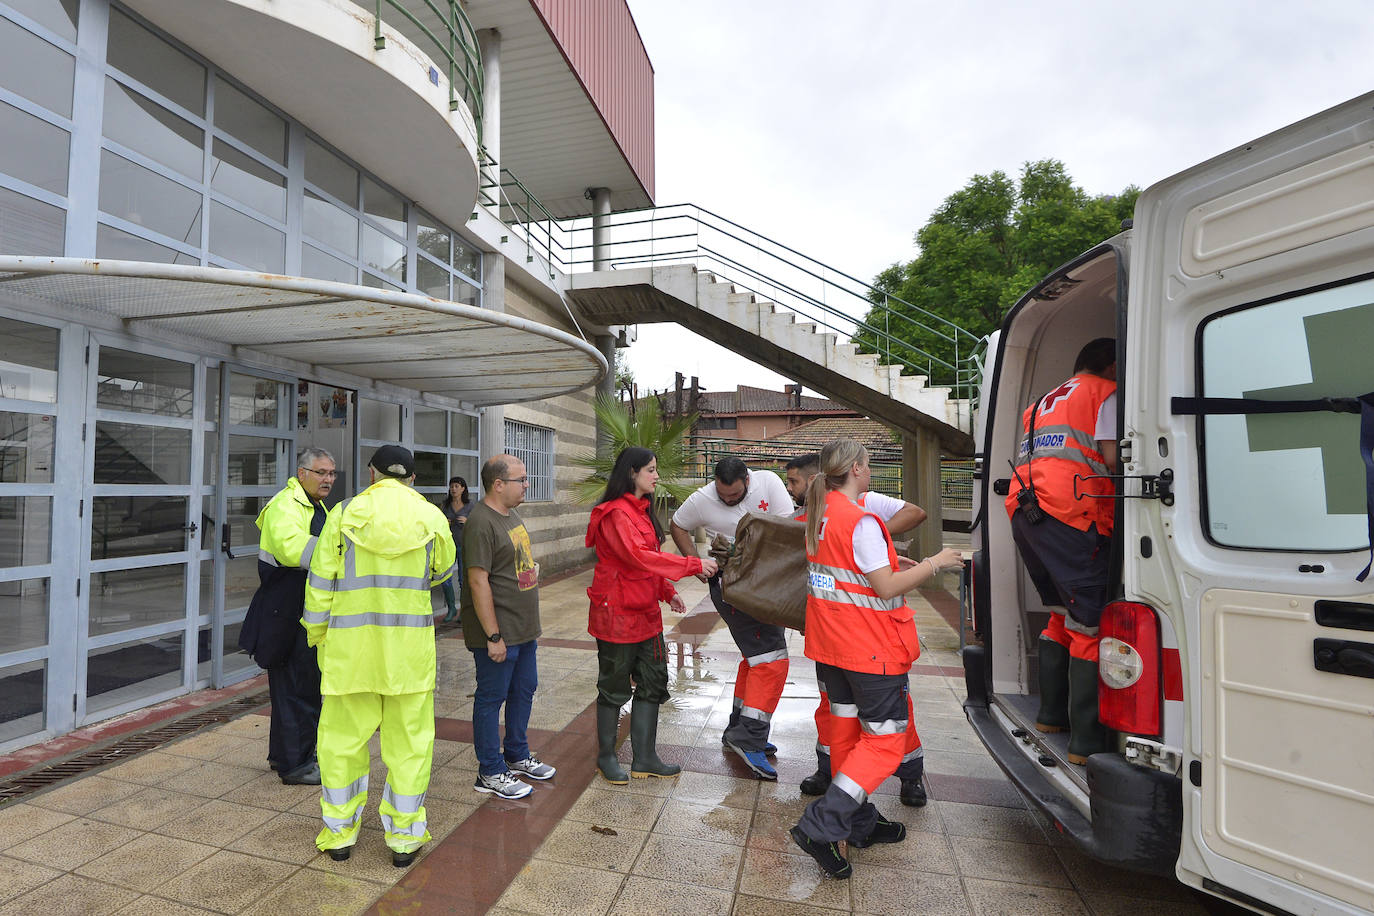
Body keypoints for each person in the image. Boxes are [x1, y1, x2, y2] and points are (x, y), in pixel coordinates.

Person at [789, 439, 964, 878]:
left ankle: (860, 824)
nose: (871, 472)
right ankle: (821, 826)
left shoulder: (822, 512)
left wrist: (888, 560)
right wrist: (934, 562)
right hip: (868, 651)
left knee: (847, 737)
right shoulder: (860, 519)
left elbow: (848, 573)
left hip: (832, 649)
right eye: (867, 465)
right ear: (854, 469)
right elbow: (886, 589)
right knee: (885, 742)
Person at [304, 445, 456, 868]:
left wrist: (318, 635)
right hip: (409, 657)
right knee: (409, 746)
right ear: (410, 477)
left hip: (351, 654)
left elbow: (319, 582)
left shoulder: (343, 514)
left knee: (340, 744)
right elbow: (442, 571)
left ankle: (339, 834)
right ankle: (403, 840)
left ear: (372, 474)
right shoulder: (431, 516)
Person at [784, 452, 933, 806]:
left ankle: (902, 778)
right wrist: (931, 563)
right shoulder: (831, 513)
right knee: (867, 726)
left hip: (842, 639)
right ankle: (836, 788)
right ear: (855, 469)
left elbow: (912, 514)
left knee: (857, 718)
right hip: (856, 641)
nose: (790, 488)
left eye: (792, 481)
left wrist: (877, 547)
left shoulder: (850, 510)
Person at [1005, 337, 1118, 764]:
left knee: (1058, 612)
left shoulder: (1043, 401)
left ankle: (1051, 715)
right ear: (1110, 366)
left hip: (1027, 508)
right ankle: (1086, 743)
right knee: (1089, 620)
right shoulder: (1104, 393)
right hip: (1073, 511)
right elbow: (1110, 457)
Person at [585, 447, 719, 784]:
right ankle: (606, 757)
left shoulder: (641, 511)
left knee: (652, 682)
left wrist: (667, 591)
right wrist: (693, 564)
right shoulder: (616, 514)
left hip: (644, 614)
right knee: (614, 688)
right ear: (632, 472)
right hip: (616, 616)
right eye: (651, 470)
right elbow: (637, 557)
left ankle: (645, 758)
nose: (656, 476)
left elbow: (650, 559)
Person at [669, 456, 793, 779]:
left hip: (767, 587)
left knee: (756, 657)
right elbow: (677, 524)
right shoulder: (702, 498)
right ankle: (748, 739)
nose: (727, 501)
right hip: (730, 588)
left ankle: (737, 728)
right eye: (722, 497)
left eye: (734, 496)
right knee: (771, 660)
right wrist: (695, 563)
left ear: (747, 482)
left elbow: (786, 532)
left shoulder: (769, 483)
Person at [461, 454, 555, 799]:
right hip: (499, 633)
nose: (527, 485)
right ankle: (489, 770)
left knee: (524, 690)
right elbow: (477, 581)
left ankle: (516, 754)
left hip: (524, 628)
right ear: (498, 484)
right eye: (521, 480)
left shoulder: (511, 514)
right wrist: (493, 636)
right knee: (491, 698)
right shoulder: (480, 522)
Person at [239, 447, 334, 786]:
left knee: (295, 688)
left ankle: (286, 755)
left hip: (299, 609)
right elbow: (293, 550)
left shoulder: (314, 505)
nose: (328, 479)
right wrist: (341, 555)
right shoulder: (286, 505)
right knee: (297, 690)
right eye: (321, 472)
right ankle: (297, 765)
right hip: (287, 612)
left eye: (331, 474)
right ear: (302, 472)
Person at [437, 476, 472, 623]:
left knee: (463, 580)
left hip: (464, 545)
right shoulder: (445, 506)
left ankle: (464, 611)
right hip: (448, 546)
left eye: (457, 486)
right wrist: (444, 522)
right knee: (446, 579)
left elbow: (479, 525)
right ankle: (451, 608)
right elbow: (436, 522)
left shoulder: (470, 506)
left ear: (463, 488)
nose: (453, 489)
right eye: (452, 486)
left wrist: (468, 521)